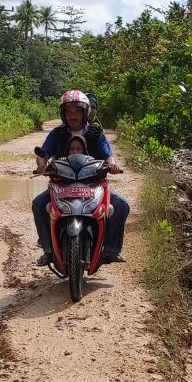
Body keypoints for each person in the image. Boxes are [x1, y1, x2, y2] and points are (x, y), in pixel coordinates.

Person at [33, 90, 129, 266]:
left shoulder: (95, 133)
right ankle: (48, 250)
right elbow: (44, 153)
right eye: (68, 111)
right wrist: (41, 164)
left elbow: (108, 155)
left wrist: (113, 165)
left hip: (93, 185)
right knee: (39, 203)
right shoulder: (57, 134)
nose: (72, 115)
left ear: (85, 112)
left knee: (121, 205)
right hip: (61, 185)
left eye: (76, 111)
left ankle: (111, 249)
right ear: (63, 114)